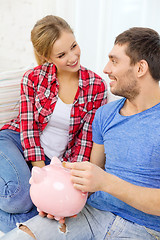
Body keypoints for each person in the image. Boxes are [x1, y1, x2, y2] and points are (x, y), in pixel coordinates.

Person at [2, 26, 160, 240]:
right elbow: (88, 171)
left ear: (141, 68)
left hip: (144, 228)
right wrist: (58, 198)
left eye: (114, 61)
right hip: (89, 214)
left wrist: (105, 183)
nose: (106, 69)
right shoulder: (105, 114)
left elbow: (98, 177)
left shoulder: (95, 88)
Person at [0, 15, 107, 234]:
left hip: (56, 160)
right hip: (16, 142)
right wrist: (42, 179)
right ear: (47, 57)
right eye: (61, 54)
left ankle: (25, 227)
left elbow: (84, 143)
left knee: (54, 211)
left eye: (74, 46)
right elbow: (28, 130)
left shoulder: (96, 86)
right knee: (19, 199)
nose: (73, 57)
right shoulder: (33, 78)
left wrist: (64, 187)